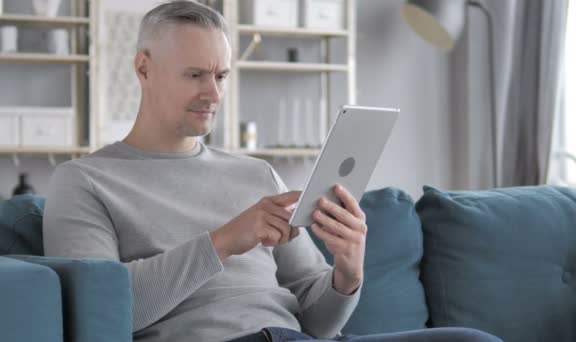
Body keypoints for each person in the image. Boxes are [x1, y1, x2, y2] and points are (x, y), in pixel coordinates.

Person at [43, 1, 501, 342]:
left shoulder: (257, 175)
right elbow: (99, 313)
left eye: (221, 76)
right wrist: (223, 241)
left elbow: (319, 322)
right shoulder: (83, 181)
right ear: (144, 67)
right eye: (195, 75)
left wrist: (347, 271)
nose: (213, 93)